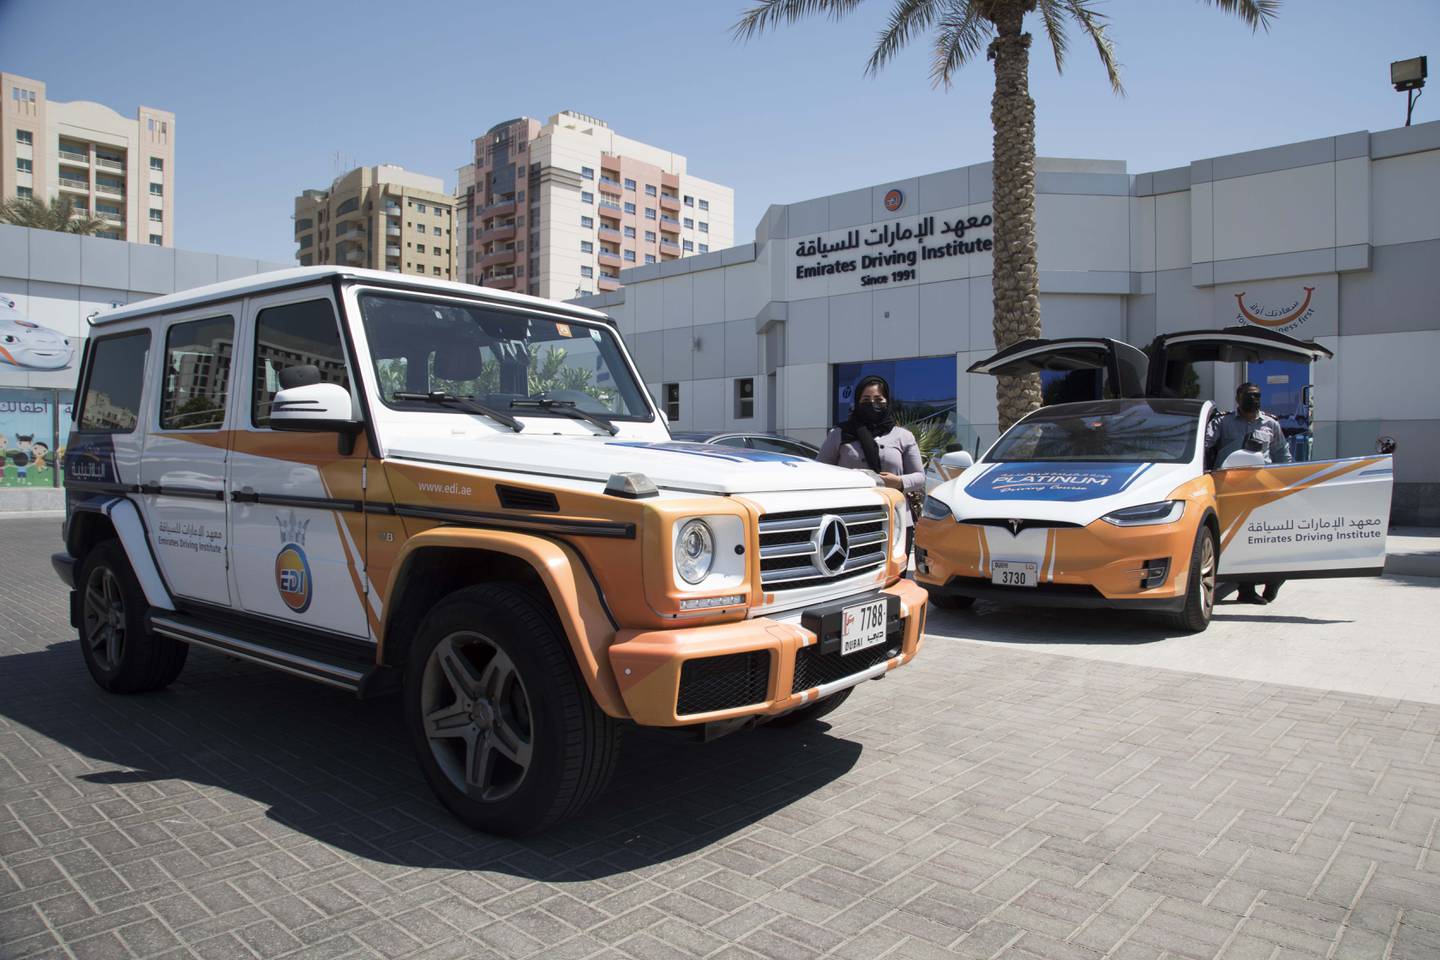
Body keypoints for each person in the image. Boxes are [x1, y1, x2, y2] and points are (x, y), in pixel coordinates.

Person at [818, 376, 925, 558]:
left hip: (895, 519)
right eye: (865, 400)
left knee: (894, 577)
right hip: (850, 520)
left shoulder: (903, 436)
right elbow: (820, 472)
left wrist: (899, 482)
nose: (872, 404)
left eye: (878, 400)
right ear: (857, 402)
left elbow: (920, 477)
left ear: (887, 401)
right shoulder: (840, 434)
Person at [1206, 381, 1292, 604]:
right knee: (1242, 539)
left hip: (1263, 487)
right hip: (1231, 487)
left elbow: (1282, 454)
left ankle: (1275, 578)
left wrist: (1289, 480)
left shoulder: (1270, 424)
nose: (1254, 399)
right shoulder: (1223, 422)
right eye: (1249, 396)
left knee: (1268, 537)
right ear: (1238, 398)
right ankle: (1246, 590)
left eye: (1257, 396)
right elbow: (1205, 444)